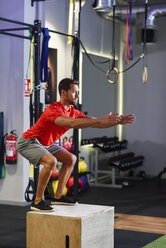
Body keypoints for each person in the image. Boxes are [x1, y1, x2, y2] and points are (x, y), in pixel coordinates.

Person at [16, 78, 135, 212]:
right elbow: (71, 123)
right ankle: (37, 201)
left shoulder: (73, 111)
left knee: (71, 159)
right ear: (63, 92)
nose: (77, 95)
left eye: (78, 92)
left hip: (46, 143)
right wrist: (100, 120)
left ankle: (58, 196)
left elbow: (96, 123)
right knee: (51, 162)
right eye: (74, 92)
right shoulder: (53, 109)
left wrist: (117, 122)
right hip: (29, 142)